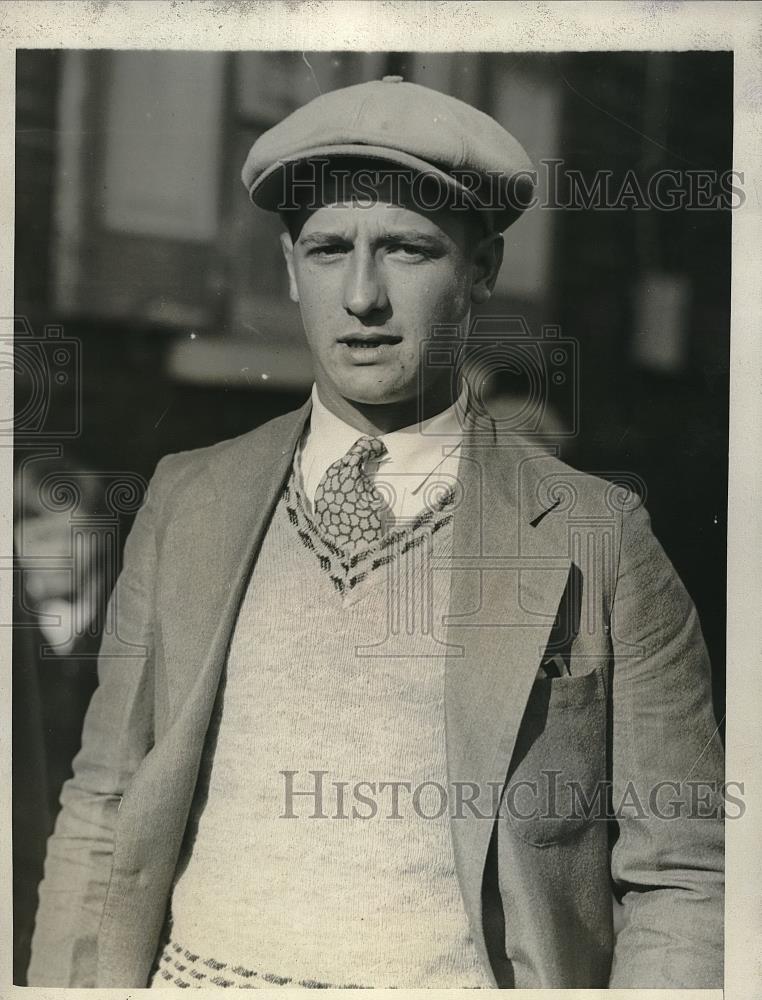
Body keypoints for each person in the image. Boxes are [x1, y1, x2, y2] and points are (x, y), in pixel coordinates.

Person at [28, 77, 724, 989]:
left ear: (482, 270)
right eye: (329, 249)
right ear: (289, 268)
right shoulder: (186, 498)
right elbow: (104, 806)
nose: (362, 296)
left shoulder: (600, 538)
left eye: (406, 248)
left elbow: (685, 874)